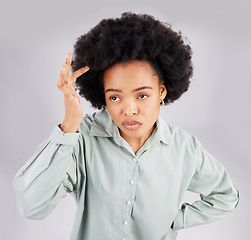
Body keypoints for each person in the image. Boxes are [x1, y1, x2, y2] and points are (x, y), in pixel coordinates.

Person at [12, 12, 239, 240]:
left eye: (141, 95)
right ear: (102, 96)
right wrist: (69, 126)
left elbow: (225, 196)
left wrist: (175, 219)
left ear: (161, 92)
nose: (129, 110)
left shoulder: (184, 148)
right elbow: (31, 206)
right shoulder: (81, 140)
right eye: (115, 98)